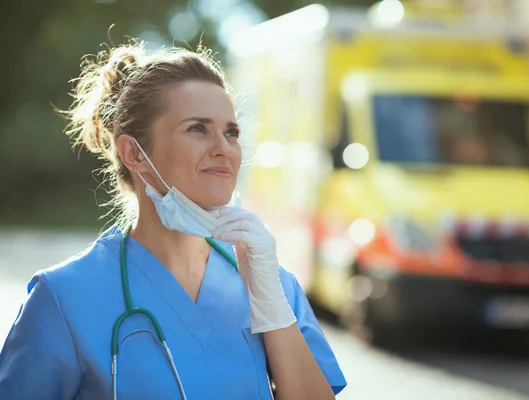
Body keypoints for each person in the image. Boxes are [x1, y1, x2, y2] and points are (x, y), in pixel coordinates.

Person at [0, 41, 346, 399]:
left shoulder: (273, 285)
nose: (223, 148)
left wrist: (274, 313)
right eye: (198, 129)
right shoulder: (63, 298)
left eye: (231, 132)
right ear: (134, 153)